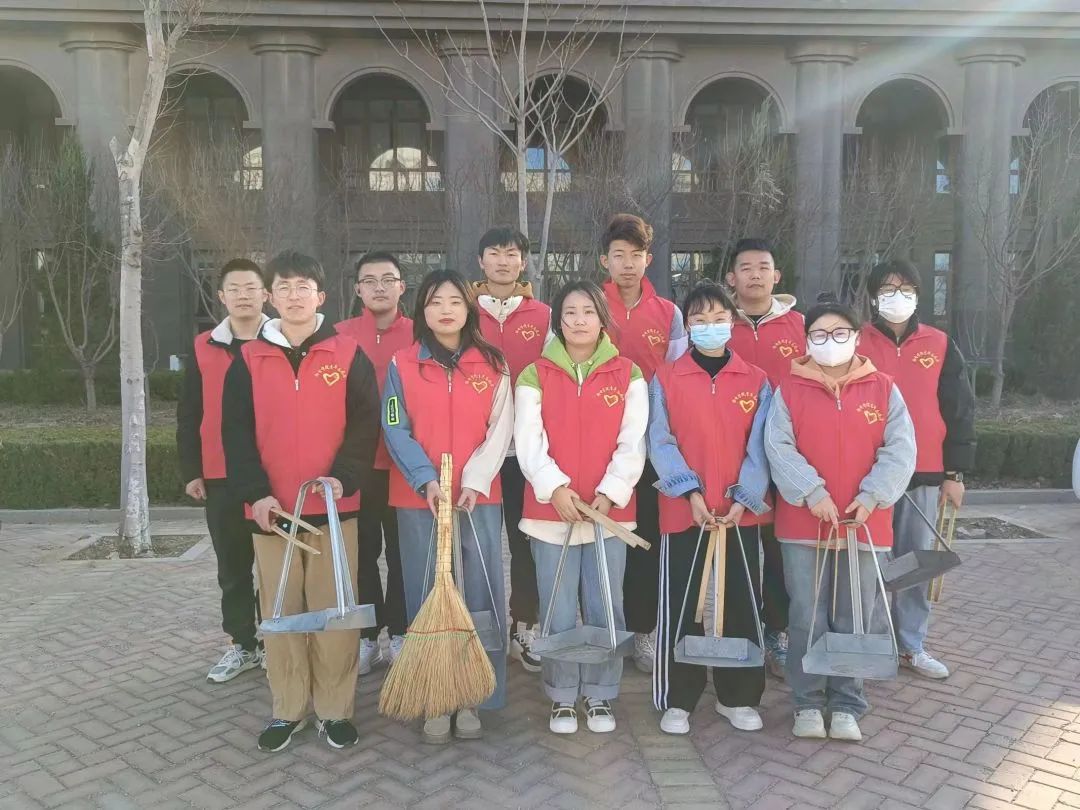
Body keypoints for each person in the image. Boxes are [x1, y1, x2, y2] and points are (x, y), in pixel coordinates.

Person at [222, 250, 381, 753]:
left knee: (334, 614)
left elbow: (366, 425)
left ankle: (334, 710)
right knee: (281, 614)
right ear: (271, 297)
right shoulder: (248, 360)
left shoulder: (348, 354)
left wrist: (343, 479)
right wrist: (256, 494)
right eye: (284, 287)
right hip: (273, 513)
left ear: (321, 296)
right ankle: (288, 708)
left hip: (333, 510)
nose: (294, 296)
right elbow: (235, 434)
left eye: (303, 287)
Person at [765, 293, 916, 742]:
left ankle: (848, 703)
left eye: (839, 333)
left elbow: (901, 450)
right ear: (806, 340)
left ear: (856, 336)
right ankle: (807, 702)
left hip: (864, 524)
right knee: (807, 615)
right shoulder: (789, 389)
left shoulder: (884, 388)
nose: (829, 341)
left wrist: (872, 496)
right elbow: (778, 446)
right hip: (804, 525)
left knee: (854, 615)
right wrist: (811, 492)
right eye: (819, 334)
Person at [381, 269, 513, 744]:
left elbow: (501, 429)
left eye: (455, 301)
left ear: (468, 308)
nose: (445, 310)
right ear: (422, 310)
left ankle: (474, 694)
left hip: (478, 498)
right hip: (420, 498)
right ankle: (435, 696)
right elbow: (394, 426)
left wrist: (474, 481)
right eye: (435, 301)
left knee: (479, 591)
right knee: (425, 591)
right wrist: (425, 479)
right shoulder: (401, 363)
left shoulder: (493, 364)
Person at [515, 280, 648, 735]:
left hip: (609, 515)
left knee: (604, 605)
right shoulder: (534, 374)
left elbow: (633, 441)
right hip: (550, 513)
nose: (579, 320)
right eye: (569, 312)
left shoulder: (628, 373)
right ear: (558, 320)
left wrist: (611, 491)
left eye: (588, 311)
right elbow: (528, 441)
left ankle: (600, 693)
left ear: (602, 318)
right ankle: (562, 696)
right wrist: (555, 488)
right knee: (556, 610)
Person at [647, 282, 772, 735]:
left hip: (740, 515)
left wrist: (744, 497)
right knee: (683, 605)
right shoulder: (666, 378)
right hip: (686, 513)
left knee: (741, 602)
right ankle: (678, 698)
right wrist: (689, 493)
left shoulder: (756, 380)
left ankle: (737, 696)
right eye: (699, 320)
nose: (709, 327)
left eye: (718, 318)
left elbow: (762, 447)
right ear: (687, 326)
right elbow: (659, 440)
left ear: (732, 322)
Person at [858, 259, 976, 680]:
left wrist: (955, 473)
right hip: (869, 477)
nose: (897, 297)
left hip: (924, 473)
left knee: (914, 562)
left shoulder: (940, 344)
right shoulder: (855, 342)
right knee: (872, 564)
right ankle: (876, 643)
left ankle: (911, 645)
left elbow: (959, 410)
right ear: (874, 297)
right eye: (887, 290)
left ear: (918, 295)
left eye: (905, 289)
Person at [600, 213, 688, 673]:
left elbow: (677, 379)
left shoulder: (669, 314)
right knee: (600, 535)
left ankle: (644, 629)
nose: (628, 264)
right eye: (619, 255)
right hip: (599, 443)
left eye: (636, 255)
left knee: (644, 539)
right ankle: (601, 626)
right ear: (605, 260)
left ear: (648, 259)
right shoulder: (589, 306)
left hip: (650, 447)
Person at [177, 258, 269, 684]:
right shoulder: (204, 346)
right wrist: (192, 469)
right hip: (219, 474)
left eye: (251, 288)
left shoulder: (280, 340)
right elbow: (189, 412)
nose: (243, 295)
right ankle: (243, 644)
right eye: (235, 288)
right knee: (232, 568)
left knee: (274, 565)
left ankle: (275, 641)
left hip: (270, 474)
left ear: (265, 294)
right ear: (221, 296)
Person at [472, 227, 552, 675]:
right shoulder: (463, 312)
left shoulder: (543, 315)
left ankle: (525, 626)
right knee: (477, 545)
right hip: (477, 450)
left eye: (512, 254)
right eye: (494, 253)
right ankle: (477, 629)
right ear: (481, 261)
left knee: (525, 544)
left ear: (523, 262)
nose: (503, 261)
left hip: (525, 451)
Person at [726, 237, 807, 679]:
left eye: (763, 267)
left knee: (778, 553)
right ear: (731, 277)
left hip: (785, 459)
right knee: (736, 551)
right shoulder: (718, 325)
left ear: (776, 275)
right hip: (730, 458)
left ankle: (777, 631)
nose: (755, 275)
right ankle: (737, 633)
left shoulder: (801, 327)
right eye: (746, 267)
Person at [336, 251, 413, 675]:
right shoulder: (340, 336)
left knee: (402, 555)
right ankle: (367, 636)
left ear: (402, 286)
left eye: (388, 279)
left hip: (405, 468)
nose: (379, 287)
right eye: (370, 280)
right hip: (357, 467)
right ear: (358, 289)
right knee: (361, 554)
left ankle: (400, 632)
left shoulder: (420, 335)